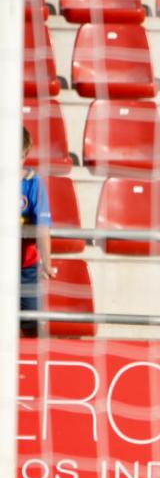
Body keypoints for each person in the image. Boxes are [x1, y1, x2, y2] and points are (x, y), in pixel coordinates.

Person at [20, 127, 55, 338]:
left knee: (32, 322)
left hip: (26, 268)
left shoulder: (33, 183)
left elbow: (42, 226)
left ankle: (31, 364)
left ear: (25, 154)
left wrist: (47, 262)